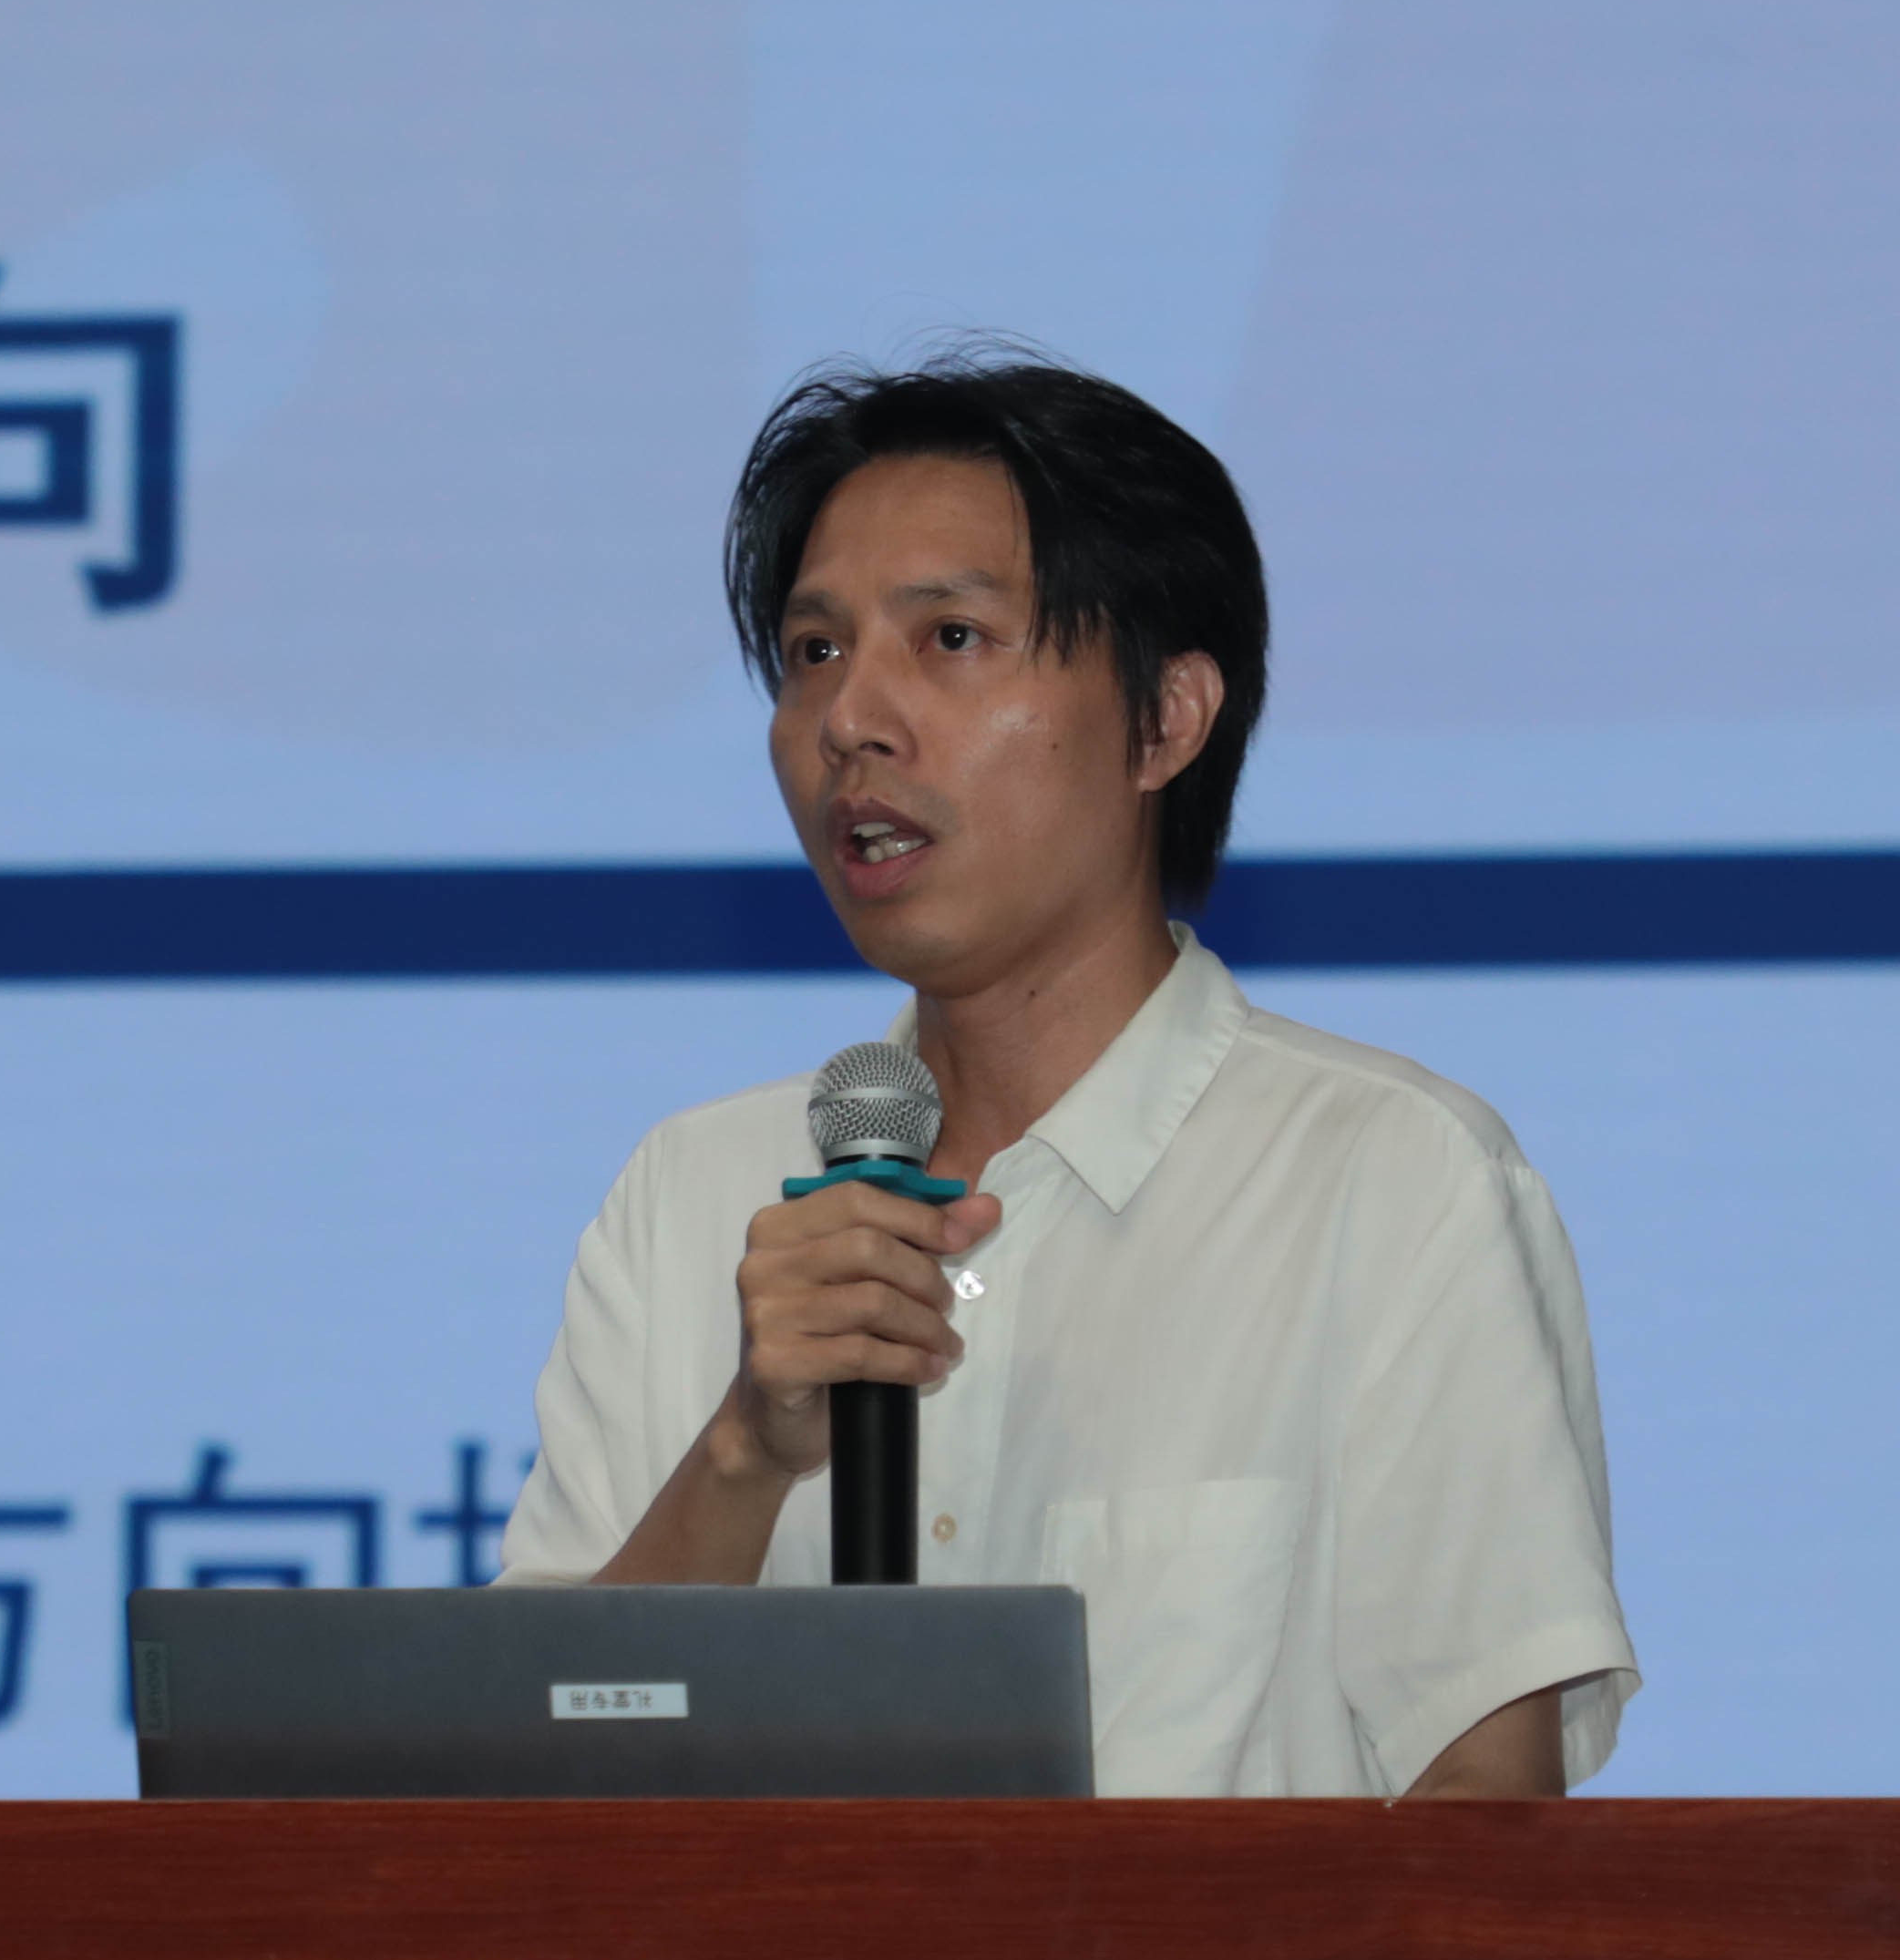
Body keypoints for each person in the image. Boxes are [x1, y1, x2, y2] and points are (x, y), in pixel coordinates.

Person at [492, 349, 1634, 1799]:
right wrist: (743, 1456)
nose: (851, 720)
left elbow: (1486, 1822)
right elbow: (522, 1799)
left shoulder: (1388, 1179)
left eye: (951, 638)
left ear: (1165, 720)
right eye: (814, 651)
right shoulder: (687, 1198)